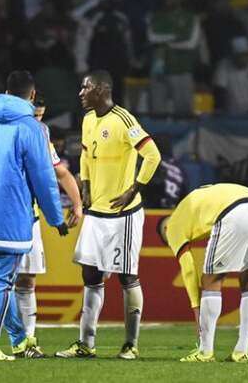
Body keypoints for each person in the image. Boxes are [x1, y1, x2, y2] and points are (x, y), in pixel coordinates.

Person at [0, 70, 67, 361]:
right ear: (32, 96)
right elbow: (44, 177)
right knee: (2, 283)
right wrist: (56, 217)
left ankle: (19, 340)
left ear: (6, 91)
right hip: (11, 217)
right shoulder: (30, 128)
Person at [57, 70, 161, 360]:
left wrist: (133, 189)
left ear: (102, 89)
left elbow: (153, 155)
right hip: (97, 212)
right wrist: (86, 187)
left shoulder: (124, 120)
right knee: (90, 274)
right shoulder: (89, 119)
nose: (81, 92)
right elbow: (85, 155)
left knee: (127, 277)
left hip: (123, 213)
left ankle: (130, 344)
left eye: (86, 87)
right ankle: (86, 343)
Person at [156, 183, 248, 363]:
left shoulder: (172, 226)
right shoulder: (194, 200)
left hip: (235, 212)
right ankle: (241, 351)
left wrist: (196, 307)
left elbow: (188, 270)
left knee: (211, 280)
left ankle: (205, 352)